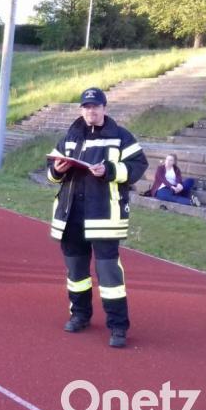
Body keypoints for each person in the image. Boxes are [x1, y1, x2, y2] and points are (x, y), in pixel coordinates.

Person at [47, 87, 148, 348]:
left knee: (109, 276)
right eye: (86, 107)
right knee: (76, 272)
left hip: (104, 215)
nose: (90, 111)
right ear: (81, 109)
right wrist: (56, 170)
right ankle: (80, 315)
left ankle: (118, 327)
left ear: (104, 108)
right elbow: (52, 172)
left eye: (95, 106)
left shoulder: (121, 136)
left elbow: (138, 166)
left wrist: (110, 170)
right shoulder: (70, 136)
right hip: (71, 216)